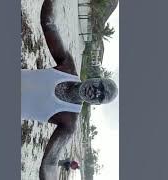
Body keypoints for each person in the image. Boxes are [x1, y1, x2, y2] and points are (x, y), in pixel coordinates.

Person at [21, 0, 118, 179]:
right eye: (100, 87)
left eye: (100, 97)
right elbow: (48, 22)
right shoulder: (67, 67)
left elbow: (49, 164)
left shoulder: (69, 122)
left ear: (95, 103)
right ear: (95, 79)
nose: (96, 92)